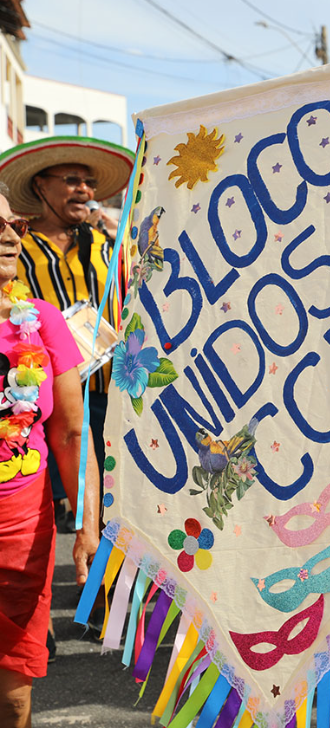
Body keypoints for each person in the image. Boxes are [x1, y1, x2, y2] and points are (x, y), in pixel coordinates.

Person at [0, 182, 100, 728]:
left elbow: (69, 432)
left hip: (23, 530)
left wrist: (87, 523)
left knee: (14, 698)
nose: (9, 234)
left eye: (14, 223)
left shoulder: (43, 320)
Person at [0, 136, 133, 529]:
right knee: (59, 512)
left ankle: (105, 586)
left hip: (113, 390)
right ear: (41, 186)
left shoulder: (107, 244)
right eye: (72, 179)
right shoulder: (17, 244)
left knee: (116, 501)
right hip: (46, 393)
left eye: (89, 183)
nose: (85, 191)